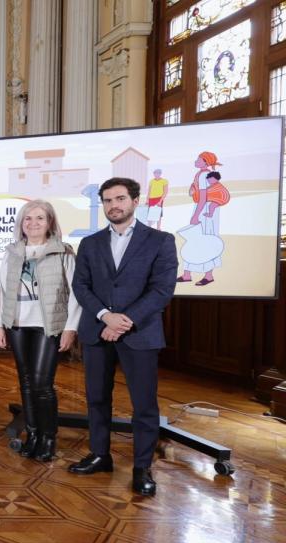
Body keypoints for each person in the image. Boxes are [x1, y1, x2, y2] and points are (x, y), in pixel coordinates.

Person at [68, 177, 177, 497]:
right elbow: (81, 286)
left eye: (119, 199)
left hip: (139, 333)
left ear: (134, 201)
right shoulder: (90, 243)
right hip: (97, 330)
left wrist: (123, 321)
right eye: (107, 200)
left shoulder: (160, 240)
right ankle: (101, 454)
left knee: (144, 404)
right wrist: (105, 316)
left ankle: (142, 466)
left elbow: (161, 290)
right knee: (97, 398)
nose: (113, 205)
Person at [0, 200, 81, 461]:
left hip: (48, 325)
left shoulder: (62, 252)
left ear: (50, 222)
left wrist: (70, 328)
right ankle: (32, 434)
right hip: (17, 324)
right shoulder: (12, 252)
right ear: (21, 224)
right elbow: (4, 291)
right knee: (27, 382)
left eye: (39, 218)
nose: (33, 223)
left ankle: (48, 438)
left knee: (43, 383)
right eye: (28, 219)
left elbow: (75, 293)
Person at [178, 151, 222, 286]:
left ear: (206, 162)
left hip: (205, 209)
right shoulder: (201, 174)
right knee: (196, 239)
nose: (196, 161)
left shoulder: (204, 175)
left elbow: (203, 197)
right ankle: (187, 274)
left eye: (199, 159)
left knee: (204, 240)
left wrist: (196, 215)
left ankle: (208, 275)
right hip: (201, 207)